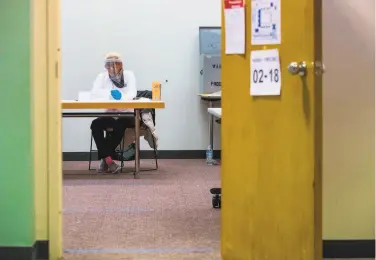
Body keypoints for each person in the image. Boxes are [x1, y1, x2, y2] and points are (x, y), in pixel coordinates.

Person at [90, 52, 138, 173]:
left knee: (119, 125)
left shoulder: (128, 75)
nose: (111, 68)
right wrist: (108, 95)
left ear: (121, 64)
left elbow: (132, 93)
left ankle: (106, 159)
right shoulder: (102, 77)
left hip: (126, 113)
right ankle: (109, 160)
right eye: (108, 65)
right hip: (110, 112)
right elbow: (95, 93)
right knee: (95, 124)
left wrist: (121, 96)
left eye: (114, 64)